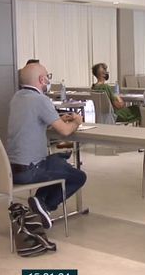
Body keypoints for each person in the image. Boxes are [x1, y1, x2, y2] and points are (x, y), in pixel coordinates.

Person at [7, 62, 86, 229]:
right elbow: (65, 132)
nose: (49, 80)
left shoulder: (17, 98)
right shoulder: (41, 99)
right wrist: (77, 122)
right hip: (31, 170)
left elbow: (32, 123)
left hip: (12, 169)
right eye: (48, 77)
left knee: (59, 162)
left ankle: (39, 202)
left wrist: (55, 121)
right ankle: (45, 206)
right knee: (78, 176)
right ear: (42, 79)